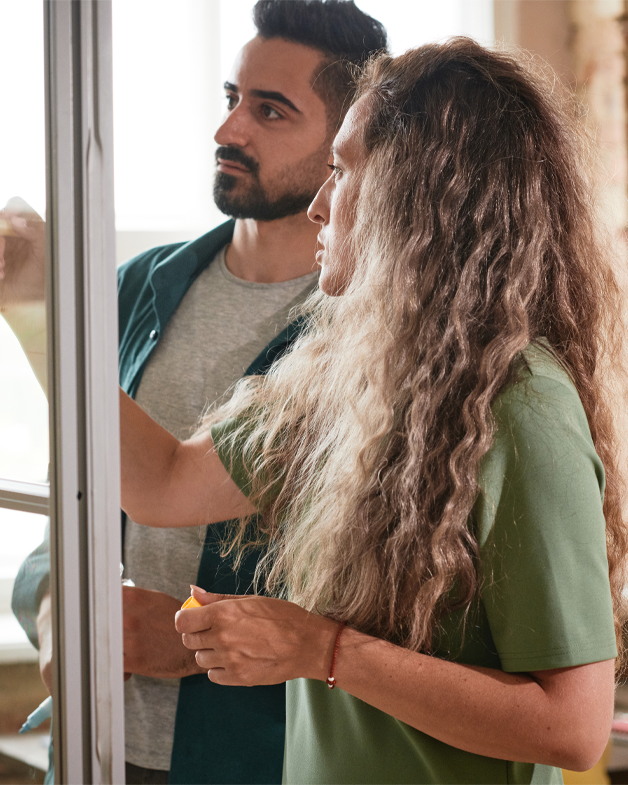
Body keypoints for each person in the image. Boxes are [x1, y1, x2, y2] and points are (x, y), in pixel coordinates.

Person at [118, 38, 628, 784]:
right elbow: (162, 483)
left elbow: (573, 726)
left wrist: (321, 650)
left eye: (344, 170)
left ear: (422, 197)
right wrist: (46, 307)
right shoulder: (339, 381)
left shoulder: (523, 405)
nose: (321, 205)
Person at [5, 2, 388, 783]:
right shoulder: (137, 287)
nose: (228, 131)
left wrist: (193, 638)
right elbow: (70, 511)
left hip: (256, 759)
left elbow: (389, 597)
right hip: (96, 748)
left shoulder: (370, 334)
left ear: (348, 146)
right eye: (230, 98)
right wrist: (58, 615)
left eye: (270, 110)